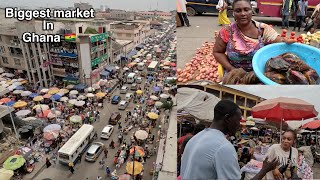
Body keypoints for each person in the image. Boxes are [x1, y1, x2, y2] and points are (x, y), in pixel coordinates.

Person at [180, 100, 279, 179]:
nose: (239, 125)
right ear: (227, 119)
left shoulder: (195, 138)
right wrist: (264, 170)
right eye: (238, 120)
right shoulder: (223, 147)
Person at [213, 0, 296, 73]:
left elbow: (278, 40)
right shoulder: (227, 31)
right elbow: (217, 52)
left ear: (251, 11)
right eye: (238, 11)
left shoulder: (263, 29)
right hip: (234, 72)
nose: (243, 14)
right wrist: (231, 68)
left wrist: (284, 41)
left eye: (246, 10)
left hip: (260, 73)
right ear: (233, 13)